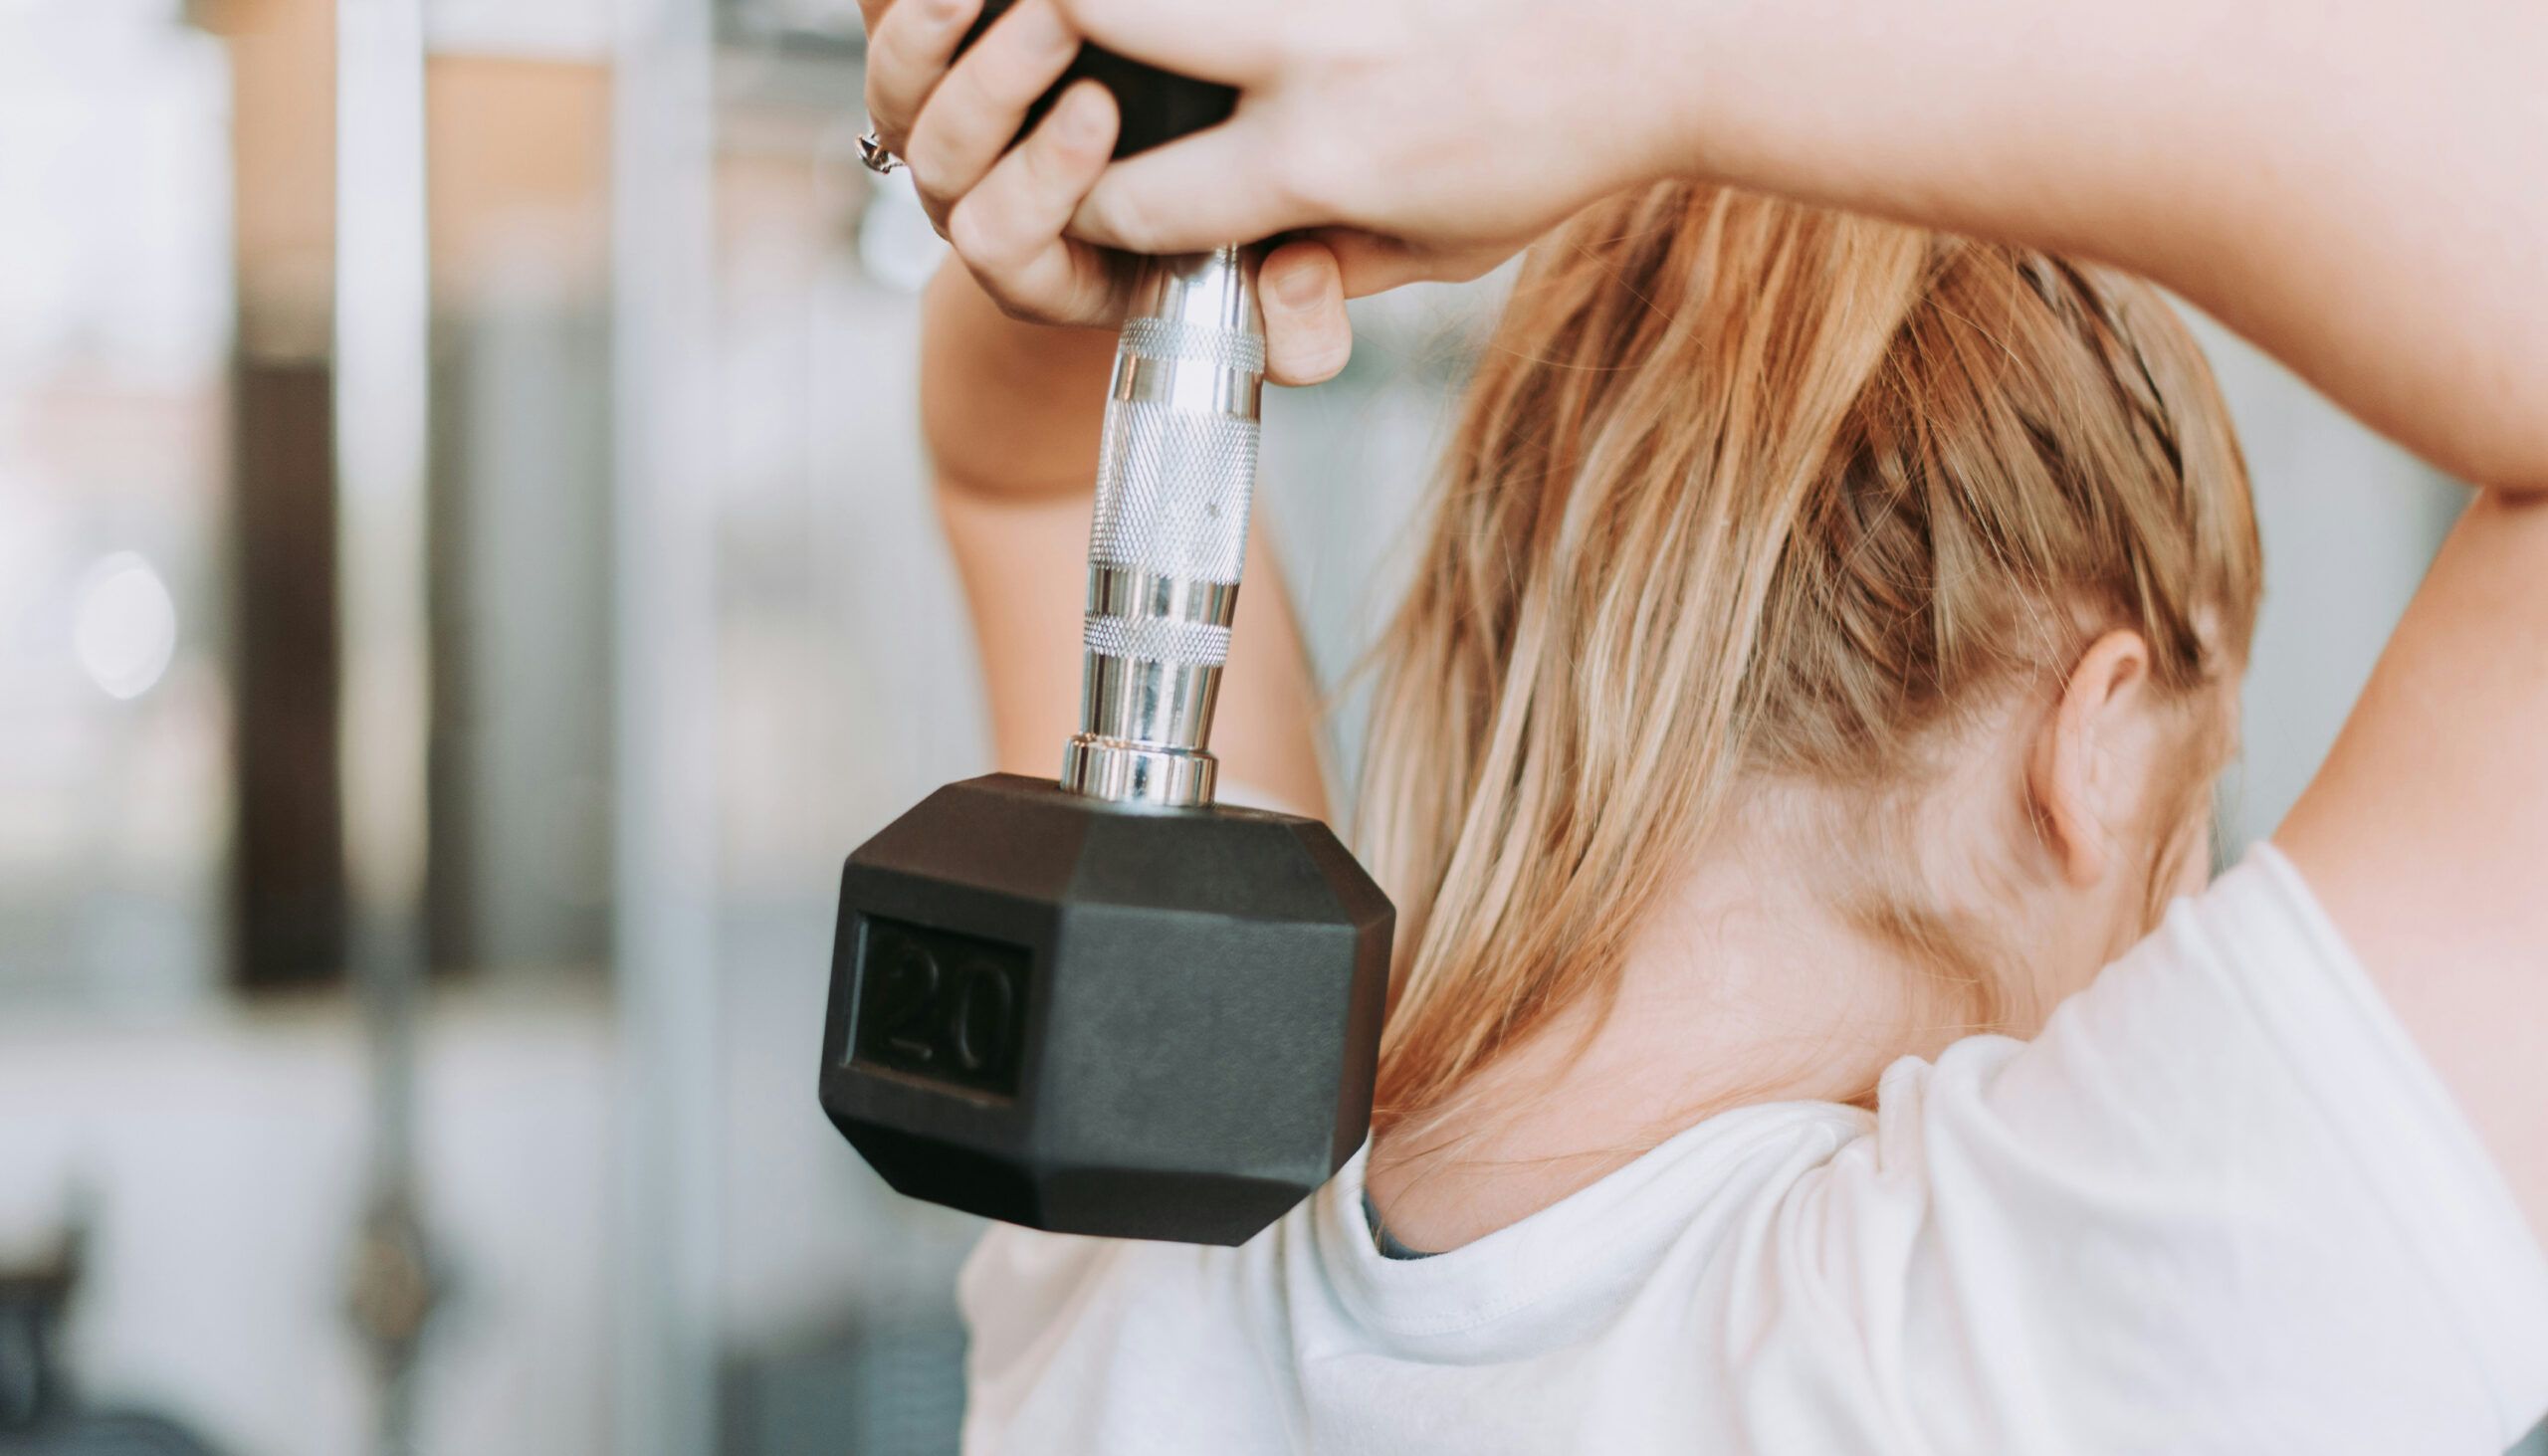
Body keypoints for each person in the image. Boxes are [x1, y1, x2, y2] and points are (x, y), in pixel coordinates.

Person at [855, 0, 2548, 1448]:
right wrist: (1628, 52)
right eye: (2203, 827)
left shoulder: (1144, 1209)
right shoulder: (2028, 1348)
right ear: (2091, 745)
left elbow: (1024, 465)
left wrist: (1097, 125)